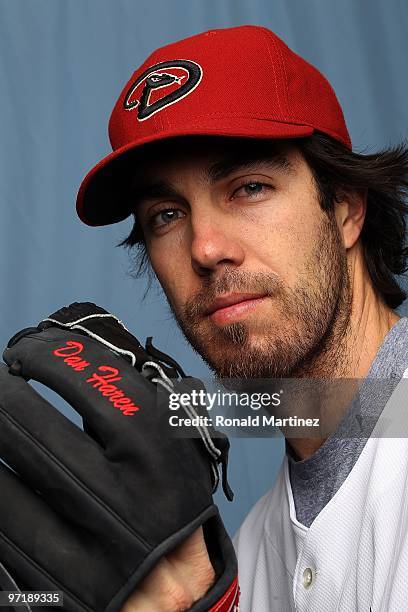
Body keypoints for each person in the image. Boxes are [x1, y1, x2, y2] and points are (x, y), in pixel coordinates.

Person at [6, 24, 408, 611]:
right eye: (167, 214)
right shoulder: (253, 546)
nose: (205, 247)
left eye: (249, 186)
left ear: (345, 210)